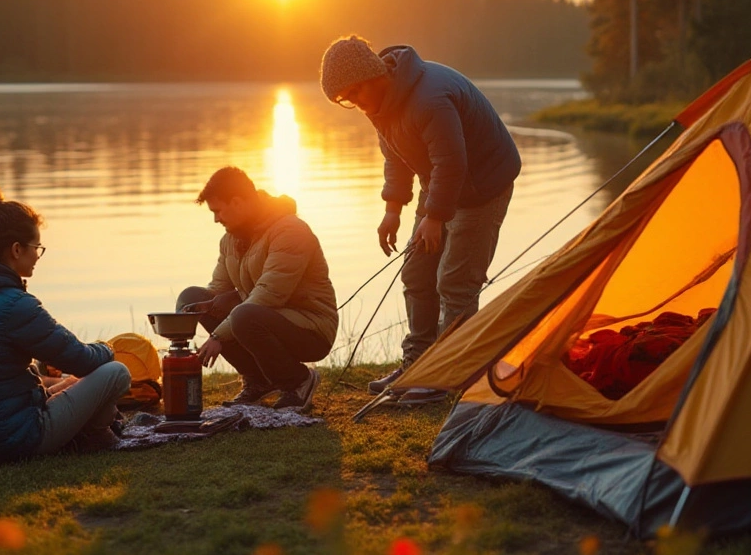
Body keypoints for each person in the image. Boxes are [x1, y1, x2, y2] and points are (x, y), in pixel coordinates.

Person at [319, 36, 521, 403]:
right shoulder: (379, 105)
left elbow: (453, 163)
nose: (356, 104)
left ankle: (446, 375)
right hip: (440, 185)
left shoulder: (429, 98)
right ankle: (417, 364)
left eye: (354, 93)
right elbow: (396, 157)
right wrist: (392, 209)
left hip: (481, 188)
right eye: (346, 100)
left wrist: (435, 216)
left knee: (456, 282)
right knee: (416, 273)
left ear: (372, 75)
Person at [0, 187, 131, 462]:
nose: (37, 257)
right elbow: (82, 360)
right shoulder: (13, 304)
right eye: (37, 248)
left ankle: (83, 429)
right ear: (17, 250)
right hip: (6, 443)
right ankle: (92, 436)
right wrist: (106, 348)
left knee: (62, 377)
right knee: (116, 372)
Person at [176, 167, 336, 413]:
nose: (216, 219)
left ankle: (298, 381)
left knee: (244, 315)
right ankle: (259, 380)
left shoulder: (290, 230)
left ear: (238, 202)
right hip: (262, 316)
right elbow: (218, 289)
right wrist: (200, 310)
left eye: (217, 211)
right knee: (192, 297)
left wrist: (218, 336)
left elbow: (270, 294)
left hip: (311, 328)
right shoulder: (230, 238)